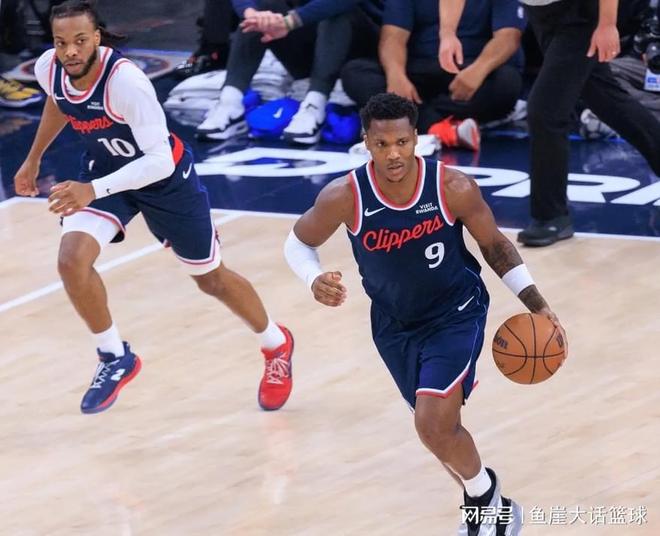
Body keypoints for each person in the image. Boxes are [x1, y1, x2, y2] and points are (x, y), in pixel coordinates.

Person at [283, 93, 566, 535]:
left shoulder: (452, 188)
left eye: (401, 142)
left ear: (416, 138)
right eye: (382, 144)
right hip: (393, 324)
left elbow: (494, 245)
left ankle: (486, 504)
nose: (393, 154)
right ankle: (490, 502)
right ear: (366, 142)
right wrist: (312, 278)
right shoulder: (345, 196)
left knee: (431, 422)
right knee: (439, 432)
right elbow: (299, 242)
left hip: (456, 312)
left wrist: (538, 304)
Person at [12, 0, 294, 414]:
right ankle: (114, 356)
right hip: (106, 170)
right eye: (60, 42)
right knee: (71, 260)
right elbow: (59, 98)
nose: (69, 51)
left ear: (97, 38)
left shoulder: (126, 82)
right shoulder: (50, 67)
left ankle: (276, 344)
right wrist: (34, 157)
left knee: (210, 279)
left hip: (164, 181)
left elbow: (159, 161)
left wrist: (92, 190)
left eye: (79, 41)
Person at [439, 0, 660, 246]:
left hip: (584, 14)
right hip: (542, 13)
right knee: (605, 99)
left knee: (545, 110)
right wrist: (448, 34)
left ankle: (551, 216)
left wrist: (607, 24)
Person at [341, 0, 525, 150]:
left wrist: (479, 70)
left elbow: (508, 37)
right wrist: (396, 74)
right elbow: (393, 36)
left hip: (469, 70)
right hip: (417, 70)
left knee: (507, 82)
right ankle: (440, 127)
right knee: (355, 72)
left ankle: (405, 118)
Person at [196, 0, 381, 144]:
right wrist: (251, 13)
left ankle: (315, 104)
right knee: (263, 10)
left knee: (337, 10)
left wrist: (290, 22)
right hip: (306, 40)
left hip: (362, 51)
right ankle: (230, 102)